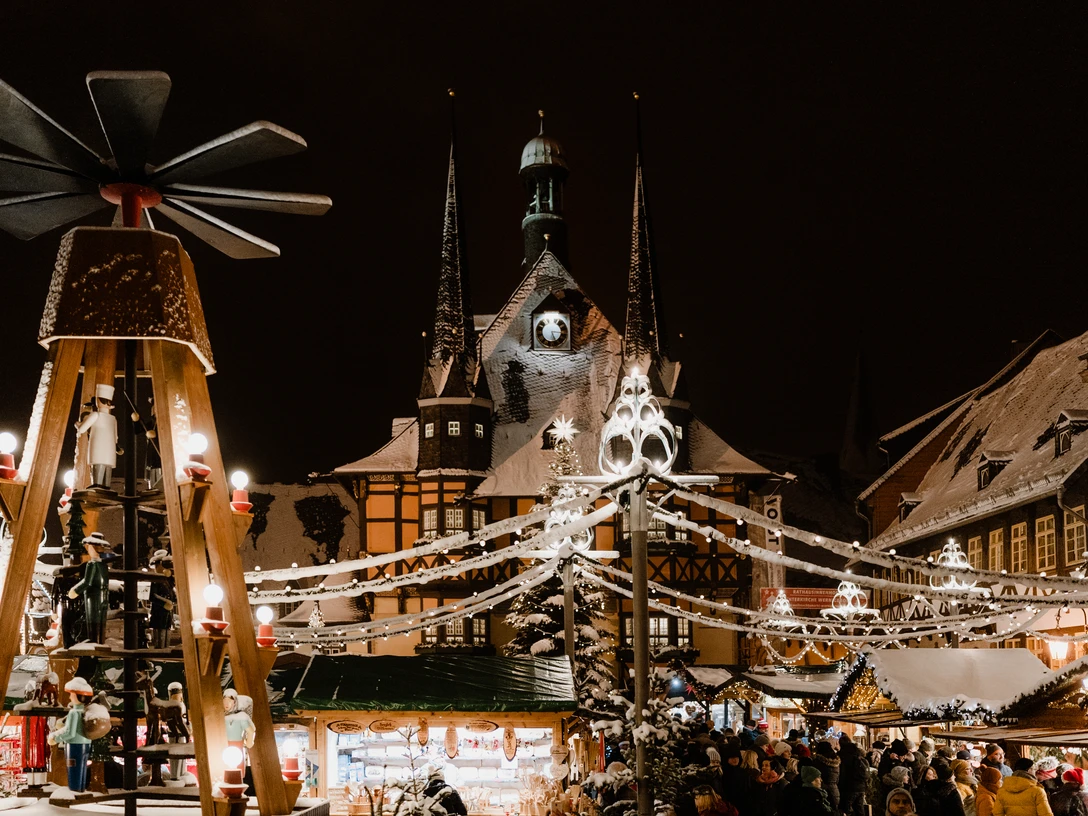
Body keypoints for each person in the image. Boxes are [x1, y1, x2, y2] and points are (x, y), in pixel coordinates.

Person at [839, 735, 871, 816]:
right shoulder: (857, 753)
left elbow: (843, 774)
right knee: (859, 810)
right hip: (861, 787)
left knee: (846, 810)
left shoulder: (843, 755)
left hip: (849, 787)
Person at [813, 740, 841, 811]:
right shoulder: (836, 763)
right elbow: (837, 778)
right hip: (835, 790)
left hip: (822, 789)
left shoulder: (818, 761)